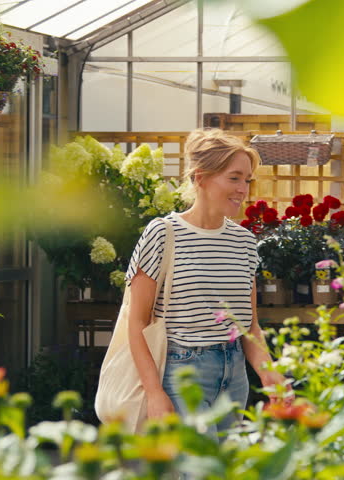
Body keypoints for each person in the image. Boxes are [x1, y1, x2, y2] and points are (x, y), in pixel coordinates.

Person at [125, 128, 286, 439]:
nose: (244, 189)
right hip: (183, 372)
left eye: (247, 180)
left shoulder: (244, 241)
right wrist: (155, 392)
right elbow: (137, 323)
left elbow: (249, 326)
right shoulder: (163, 233)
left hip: (234, 373)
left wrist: (269, 373)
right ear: (200, 178)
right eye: (234, 177)